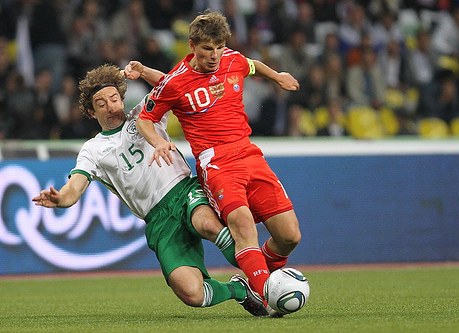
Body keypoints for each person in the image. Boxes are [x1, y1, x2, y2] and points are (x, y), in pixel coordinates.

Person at [31, 64, 268, 317]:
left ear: (121, 99)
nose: (111, 107)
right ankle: (238, 290)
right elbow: (74, 187)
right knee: (192, 293)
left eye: (114, 99)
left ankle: (267, 285)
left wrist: (143, 71)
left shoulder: (143, 114)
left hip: (183, 190)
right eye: (101, 104)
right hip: (158, 220)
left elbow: (174, 86)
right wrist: (61, 199)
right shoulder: (92, 150)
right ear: (91, 111)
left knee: (207, 224)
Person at [129, 10, 302, 313]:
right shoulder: (176, 82)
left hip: (249, 153)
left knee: (289, 236)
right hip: (216, 163)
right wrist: (160, 142)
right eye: (208, 48)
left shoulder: (232, 60)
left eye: (219, 47)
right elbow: (146, 119)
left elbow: (252, 65)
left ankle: (256, 277)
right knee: (243, 225)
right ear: (192, 45)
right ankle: (266, 295)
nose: (214, 55)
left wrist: (276, 76)